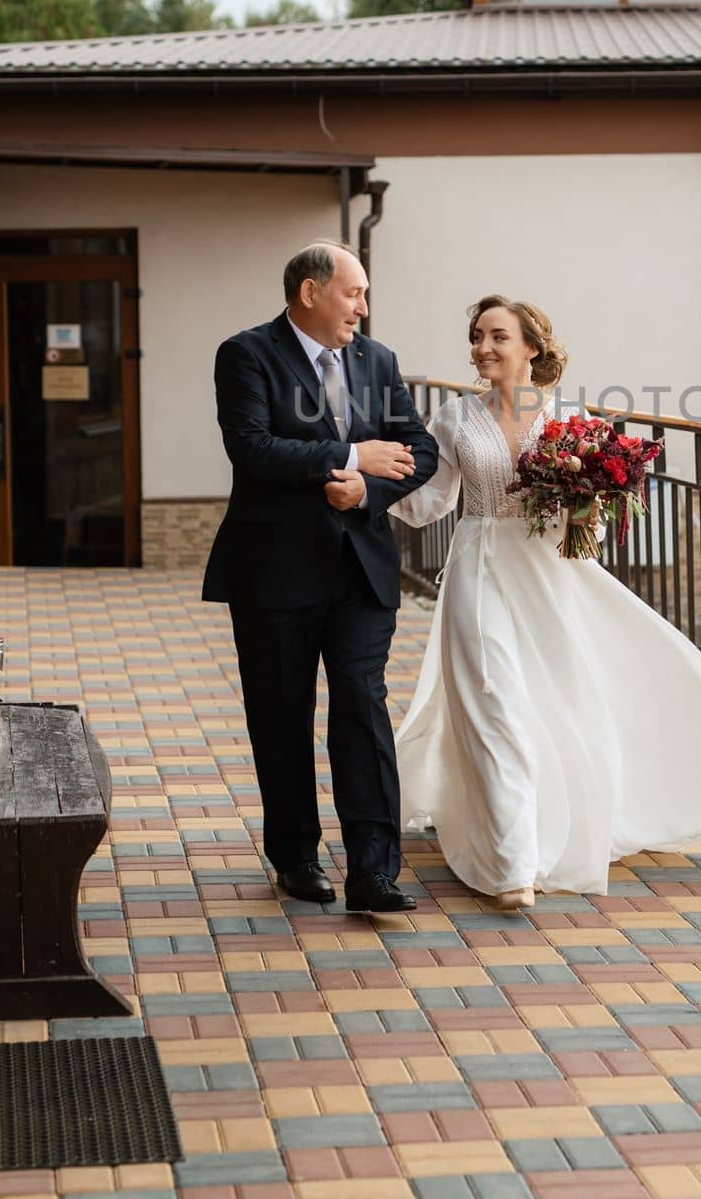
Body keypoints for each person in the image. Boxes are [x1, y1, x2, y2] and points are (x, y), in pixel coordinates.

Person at [389, 294, 701, 910]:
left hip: (551, 577)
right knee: (493, 706)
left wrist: (586, 502)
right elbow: (431, 504)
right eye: (477, 336)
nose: (482, 348)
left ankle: (563, 823)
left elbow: (597, 518)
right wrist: (374, 480)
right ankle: (512, 868)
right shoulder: (453, 419)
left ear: (531, 348)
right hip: (478, 573)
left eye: (497, 336)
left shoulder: (571, 419)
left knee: (556, 708)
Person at [203, 240, 439, 912]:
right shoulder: (245, 354)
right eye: (353, 292)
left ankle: (373, 870)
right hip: (274, 571)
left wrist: (363, 489)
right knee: (281, 715)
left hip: (361, 569)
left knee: (362, 710)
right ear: (310, 293)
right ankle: (297, 856)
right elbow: (251, 447)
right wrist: (349, 454)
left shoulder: (377, 360)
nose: (363, 307)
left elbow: (418, 450)